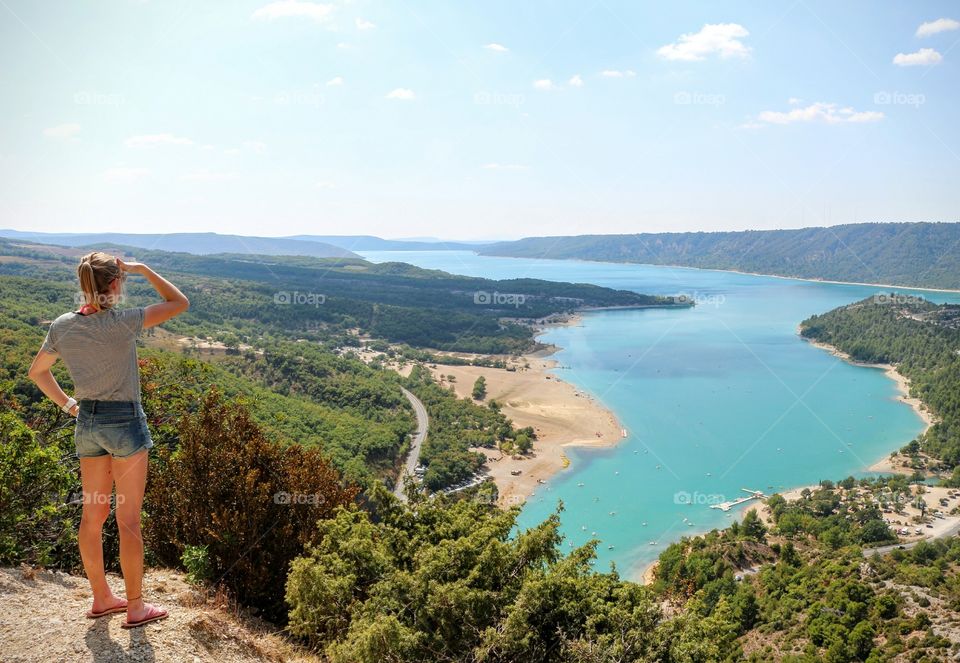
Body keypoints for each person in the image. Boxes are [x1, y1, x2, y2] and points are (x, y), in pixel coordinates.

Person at [28, 251, 189, 628]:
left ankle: (101, 598)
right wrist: (144, 269)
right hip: (126, 425)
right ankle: (135, 607)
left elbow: (38, 371)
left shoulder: (62, 325)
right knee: (128, 519)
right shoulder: (124, 322)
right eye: (122, 280)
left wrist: (69, 406)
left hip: (88, 423)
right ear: (114, 284)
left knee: (92, 515)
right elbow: (179, 302)